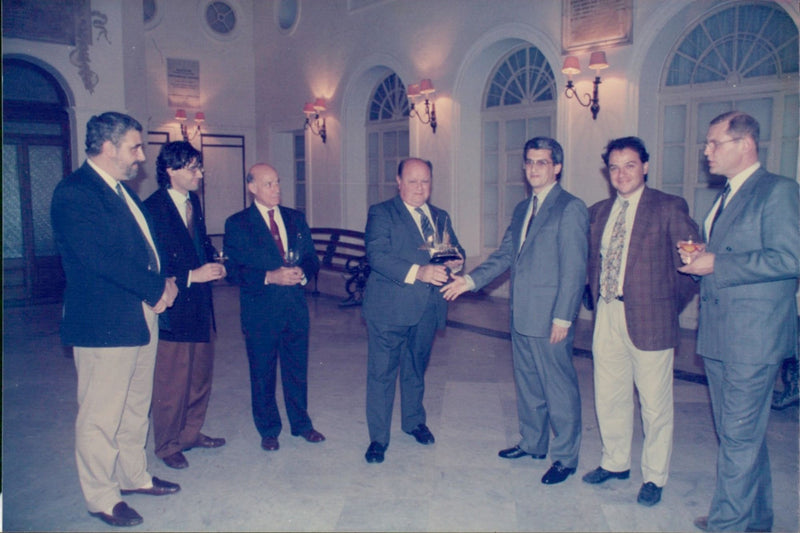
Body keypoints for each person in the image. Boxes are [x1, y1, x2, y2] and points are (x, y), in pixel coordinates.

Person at [50, 112, 181, 528]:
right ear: (107, 148)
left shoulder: (120, 191)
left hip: (140, 311)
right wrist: (155, 288)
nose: (141, 157)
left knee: (134, 405)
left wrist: (164, 282)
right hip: (105, 321)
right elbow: (100, 259)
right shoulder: (75, 192)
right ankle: (101, 497)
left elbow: (143, 249)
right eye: (134, 147)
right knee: (100, 414)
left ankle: (133, 475)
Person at [678, 111, 800, 532]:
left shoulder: (779, 191)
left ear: (745, 144)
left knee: (738, 437)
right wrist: (701, 259)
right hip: (721, 334)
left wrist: (717, 263)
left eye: (714, 143)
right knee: (743, 435)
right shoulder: (728, 193)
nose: (706, 151)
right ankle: (756, 518)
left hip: (754, 337)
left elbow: (789, 259)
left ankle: (727, 524)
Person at [442, 137, 588, 485]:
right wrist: (470, 281)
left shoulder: (571, 207)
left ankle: (565, 457)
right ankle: (533, 443)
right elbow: (506, 254)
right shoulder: (524, 208)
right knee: (528, 383)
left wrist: (563, 317)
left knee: (559, 388)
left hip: (551, 317)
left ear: (557, 167)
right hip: (521, 313)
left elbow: (574, 268)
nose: (534, 168)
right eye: (529, 162)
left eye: (542, 162)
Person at [581, 137, 700, 506]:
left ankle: (654, 477)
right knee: (610, 395)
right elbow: (591, 264)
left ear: (645, 166)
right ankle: (615, 462)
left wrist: (665, 306)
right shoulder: (598, 211)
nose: (621, 174)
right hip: (607, 313)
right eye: (614, 167)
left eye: (629, 165)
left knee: (654, 404)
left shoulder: (668, 207)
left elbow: (691, 265)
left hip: (652, 319)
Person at [362, 157, 465, 464]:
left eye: (425, 182)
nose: (420, 188)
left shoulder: (440, 215)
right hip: (389, 307)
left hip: (428, 308)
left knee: (415, 369)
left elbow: (453, 250)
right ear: (399, 181)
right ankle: (378, 439)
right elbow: (376, 255)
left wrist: (457, 262)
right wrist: (418, 272)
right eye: (412, 181)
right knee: (382, 374)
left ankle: (413, 422)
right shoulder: (382, 213)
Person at [224, 163, 325, 452]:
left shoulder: (295, 218)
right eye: (268, 184)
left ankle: (301, 424)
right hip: (260, 310)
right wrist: (269, 276)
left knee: (297, 370)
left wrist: (302, 274)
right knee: (262, 372)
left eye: (278, 183)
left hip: (295, 309)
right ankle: (268, 428)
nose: (276, 189)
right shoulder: (238, 223)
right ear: (252, 188)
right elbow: (233, 270)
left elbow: (311, 258)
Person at [143, 141, 227, 470]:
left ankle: (190, 433)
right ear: (171, 171)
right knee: (172, 382)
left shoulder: (193, 201)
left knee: (200, 377)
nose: (200, 174)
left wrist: (213, 260)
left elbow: (199, 242)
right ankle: (166, 445)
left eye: (200, 167)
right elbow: (153, 263)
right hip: (174, 308)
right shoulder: (153, 208)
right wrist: (193, 274)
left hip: (201, 307)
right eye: (193, 168)